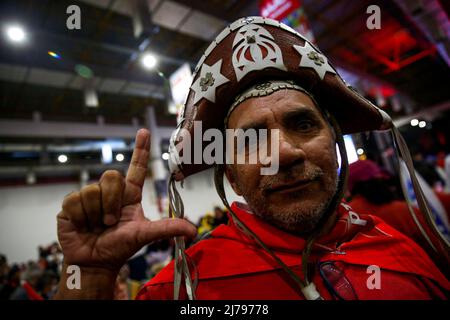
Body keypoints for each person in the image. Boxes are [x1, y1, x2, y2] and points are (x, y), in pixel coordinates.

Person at [54, 17, 450, 300]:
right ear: (230, 172)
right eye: (252, 139)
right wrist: (89, 280)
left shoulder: (406, 254)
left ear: (334, 140)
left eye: (303, 124)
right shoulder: (184, 288)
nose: (284, 153)